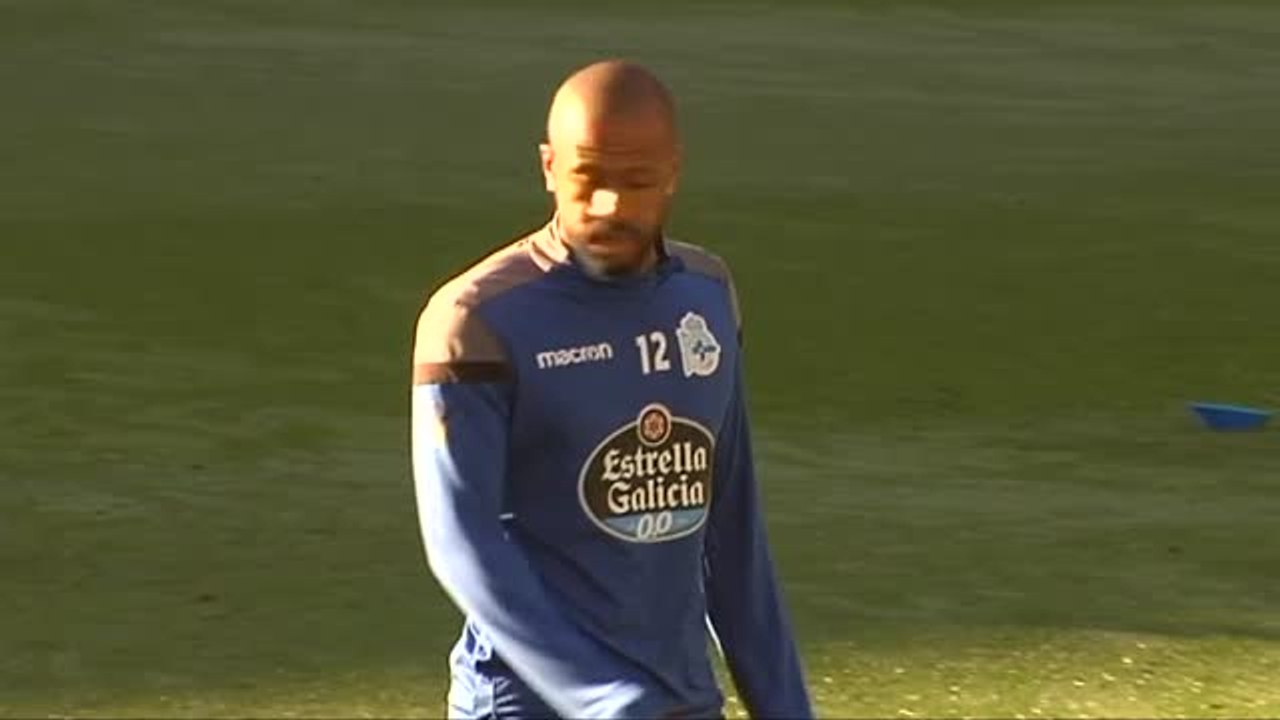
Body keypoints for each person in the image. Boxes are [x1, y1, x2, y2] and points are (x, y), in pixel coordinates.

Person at [410, 59, 812, 720]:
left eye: (638, 181)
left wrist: (785, 707)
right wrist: (600, 700)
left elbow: (732, 535)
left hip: (676, 703)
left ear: (674, 171)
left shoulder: (707, 297)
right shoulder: (476, 322)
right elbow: (461, 544)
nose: (611, 206)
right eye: (587, 178)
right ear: (548, 167)